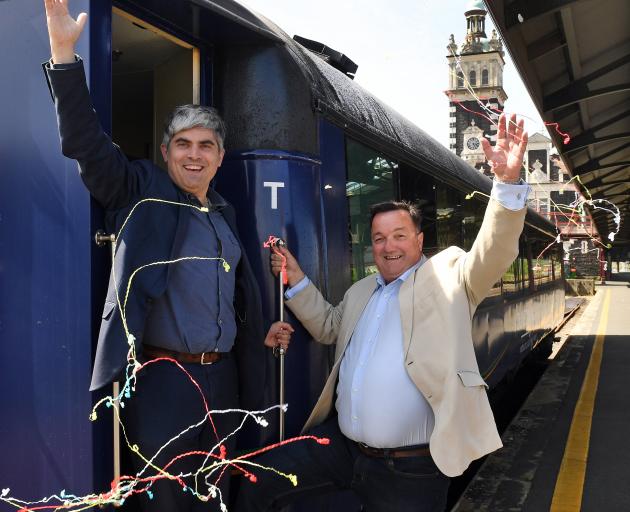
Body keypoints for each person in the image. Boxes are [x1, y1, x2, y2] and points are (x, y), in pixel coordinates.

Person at [42, 1, 292, 510]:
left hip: (224, 382)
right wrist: (64, 54)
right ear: (165, 152)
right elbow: (86, 145)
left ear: (221, 157)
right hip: (163, 384)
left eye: (205, 145)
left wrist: (257, 332)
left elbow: (224, 300)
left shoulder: (224, 215)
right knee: (166, 505)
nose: (194, 154)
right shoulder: (140, 190)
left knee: (217, 497)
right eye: (182, 144)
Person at [236, 112, 530, 512]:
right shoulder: (362, 290)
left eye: (399, 236)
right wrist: (296, 278)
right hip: (343, 451)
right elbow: (327, 326)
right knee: (258, 480)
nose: (388, 246)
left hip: (412, 468)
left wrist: (507, 185)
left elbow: (493, 253)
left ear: (419, 240)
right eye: (378, 238)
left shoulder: (450, 276)